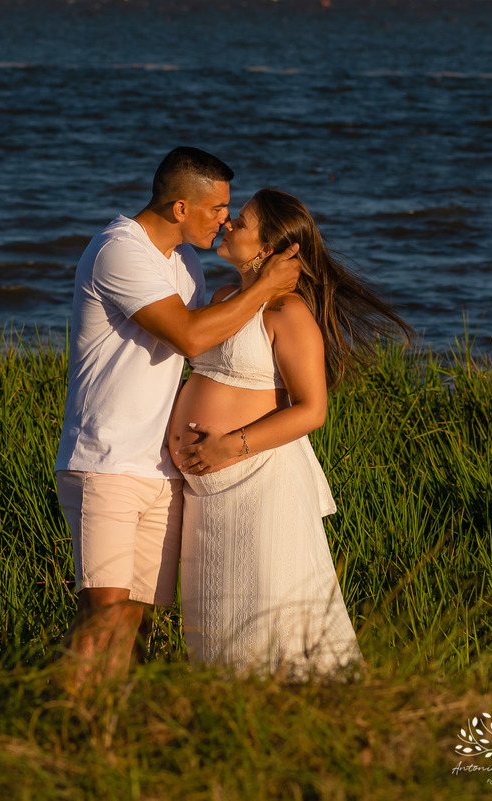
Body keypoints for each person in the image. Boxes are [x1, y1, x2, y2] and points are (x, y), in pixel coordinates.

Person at [53, 148, 301, 692]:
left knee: (132, 621)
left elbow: (208, 352)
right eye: (216, 210)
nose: (224, 220)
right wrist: (263, 288)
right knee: (101, 615)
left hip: (159, 470)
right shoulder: (120, 252)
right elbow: (188, 336)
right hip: (107, 461)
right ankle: (54, 727)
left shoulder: (182, 261)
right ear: (181, 206)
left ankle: (112, 729)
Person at [169, 188, 412, 679]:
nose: (229, 224)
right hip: (207, 493)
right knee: (215, 617)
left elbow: (312, 410)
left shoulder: (290, 313)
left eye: (243, 221)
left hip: (259, 485)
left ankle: (300, 714)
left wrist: (227, 445)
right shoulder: (224, 298)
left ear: (269, 247)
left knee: (268, 609)